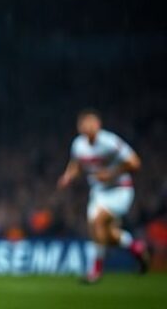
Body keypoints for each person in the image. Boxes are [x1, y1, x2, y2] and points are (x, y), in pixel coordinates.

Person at [57, 108, 149, 283]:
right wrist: (68, 176)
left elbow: (135, 163)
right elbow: (75, 164)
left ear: (98, 125)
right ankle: (136, 247)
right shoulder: (78, 145)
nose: (87, 126)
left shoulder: (110, 142)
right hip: (99, 193)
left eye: (91, 122)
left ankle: (96, 271)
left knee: (98, 222)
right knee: (105, 234)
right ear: (79, 127)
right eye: (84, 123)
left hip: (120, 190)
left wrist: (111, 173)